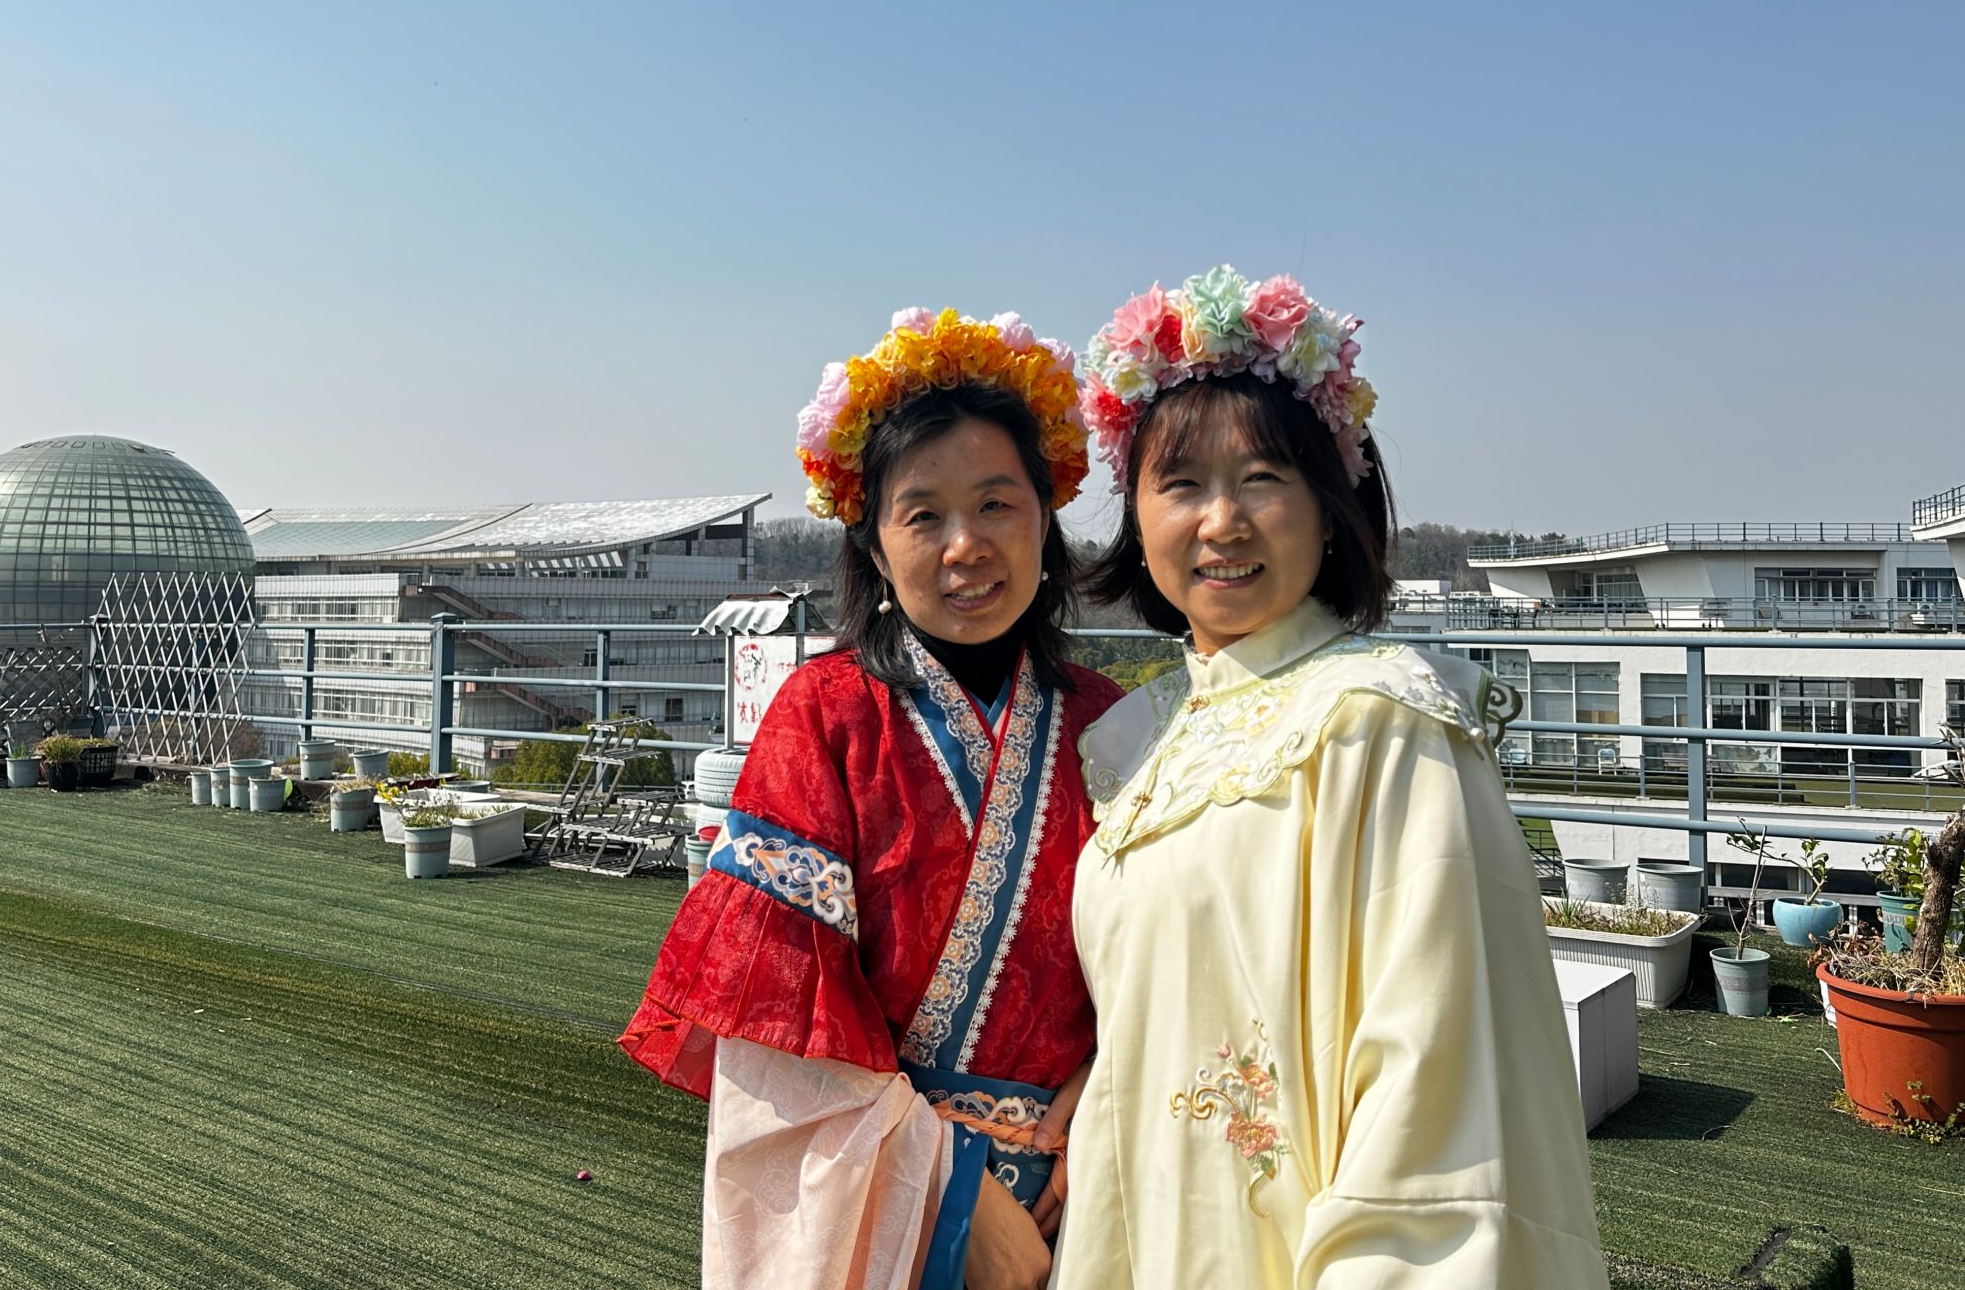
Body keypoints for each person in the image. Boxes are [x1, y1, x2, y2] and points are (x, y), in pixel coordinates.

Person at [1055, 266, 1606, 1288]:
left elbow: (1435, 1092)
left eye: (1262, 477)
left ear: (1327, 505)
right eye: (1180, 484)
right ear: (1135, 515)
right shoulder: (1137, 741)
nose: (1220, 521)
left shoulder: (1383, 721)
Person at [621, 307, 1126, 1290]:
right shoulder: (822, 717)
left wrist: (1109, 1086)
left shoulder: (1111, 725)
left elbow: (1171, 962)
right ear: (876, 547)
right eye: (922, 515)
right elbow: (777, 1021)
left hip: (1098, 1187)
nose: (964, 545)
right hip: (891, 1220)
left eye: (996, 504)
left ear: (1045, 519)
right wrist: (952, 1194)